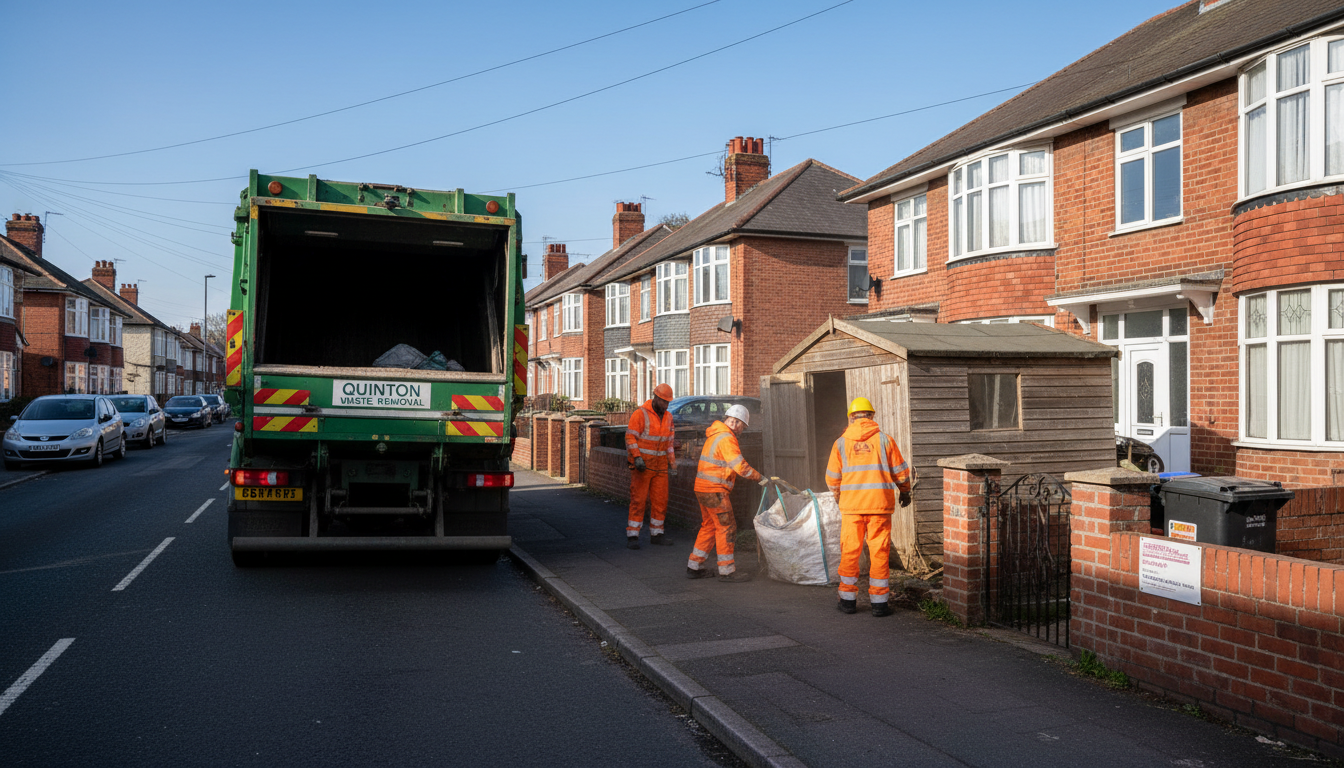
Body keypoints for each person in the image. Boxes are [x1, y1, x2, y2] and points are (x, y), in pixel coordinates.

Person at [826, 397, 911, 617]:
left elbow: (832, 479)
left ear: (851, 417)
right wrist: (905, 491)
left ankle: (847, 601)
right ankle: (880, 603)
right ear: (871, 416)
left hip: (852, 509)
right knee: (879, 553)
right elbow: (901, 472)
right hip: (879, 508)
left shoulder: (841, 443)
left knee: (850, 553)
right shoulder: (886, 441)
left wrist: (838, 496)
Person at [687, 404, 766, 583]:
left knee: (709, 526)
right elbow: (740, 466)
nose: (741, 431)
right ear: (737, 423)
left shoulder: (715, 434)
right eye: (743, 427)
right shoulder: (727, 438)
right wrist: (759, 478)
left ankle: (694, 566)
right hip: (715, 491)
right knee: (726, 527)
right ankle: (727, 571)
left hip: (702, 488)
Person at [625, 383, 677, 549]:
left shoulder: (668, 417)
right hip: (643, 466)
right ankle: (633, 536)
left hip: (660, 467)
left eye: (668, 403)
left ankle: (657, 533)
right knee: (638, 500)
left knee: (660, 500)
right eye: (663, 402)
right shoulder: (640, 414)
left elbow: (669, 443)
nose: (666, 405)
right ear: (655, 398)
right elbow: (630, 438)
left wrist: (673, 464)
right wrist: (637, 458)